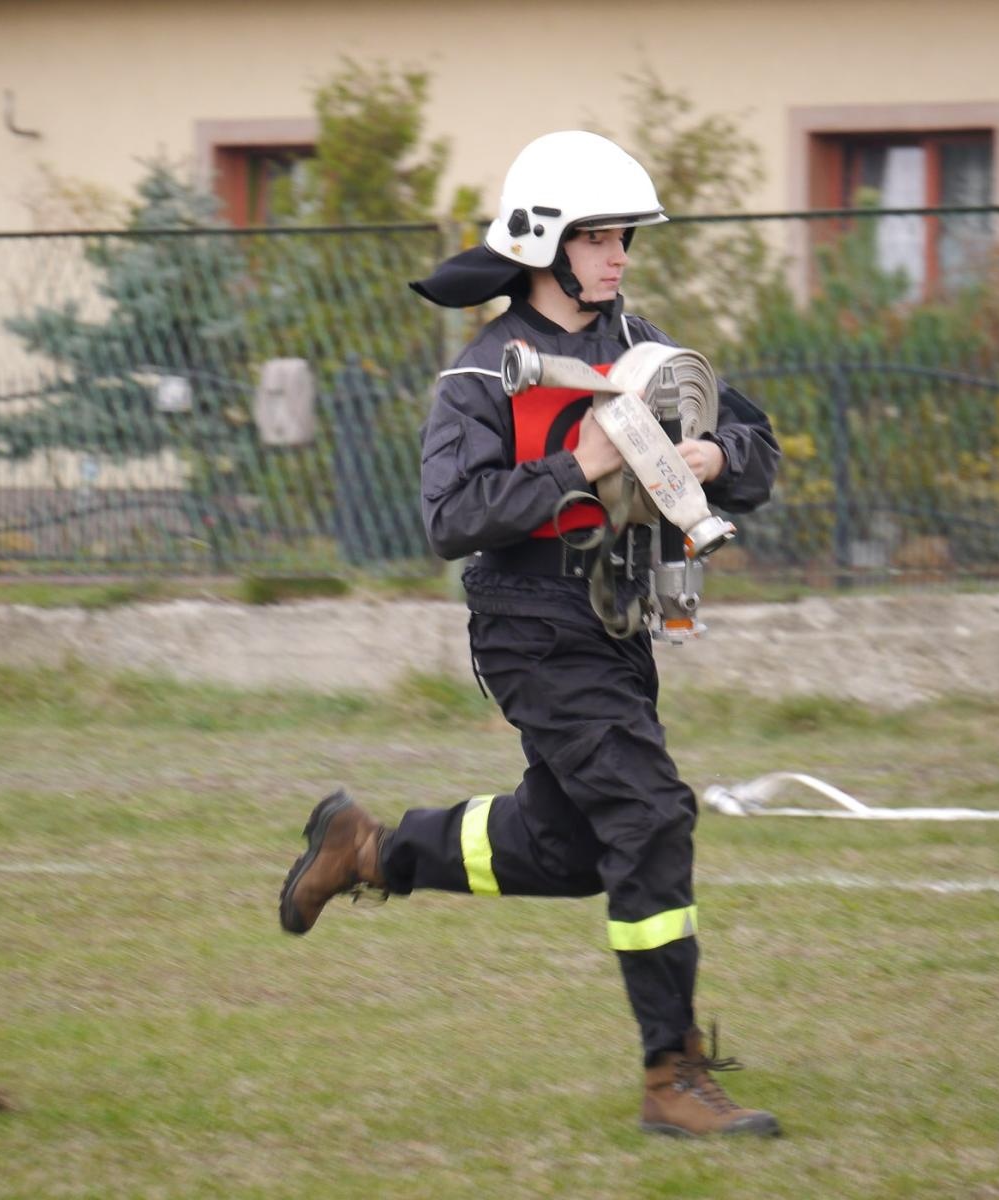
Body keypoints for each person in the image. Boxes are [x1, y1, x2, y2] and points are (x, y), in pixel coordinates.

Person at [279, 130, 782, 1138]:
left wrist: (713, 456)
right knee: (649, 816)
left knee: (572, 845)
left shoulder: (646, 345)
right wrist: (581, 459)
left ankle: (370, 849)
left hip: (620, 624)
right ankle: (670, 1075)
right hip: (530, 626)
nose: (617, 256)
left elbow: (759, 450)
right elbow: (450, 518)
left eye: (623, 237)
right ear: (544, 243)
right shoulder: (477, 375)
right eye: (597, 237)